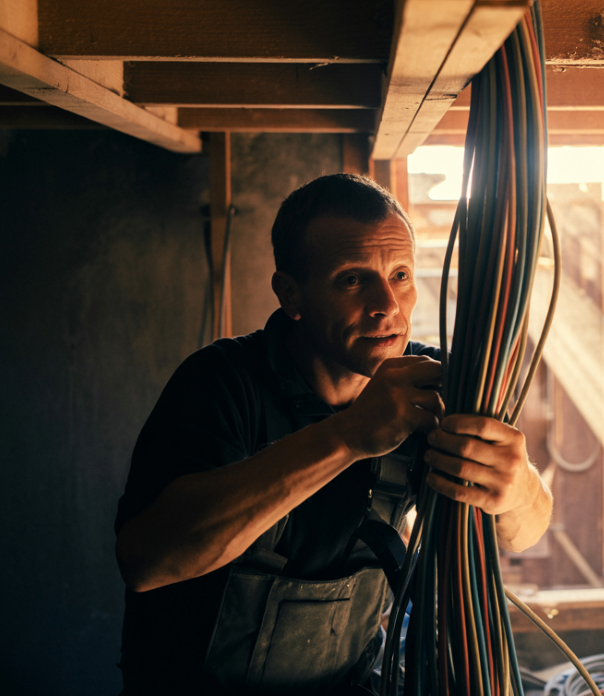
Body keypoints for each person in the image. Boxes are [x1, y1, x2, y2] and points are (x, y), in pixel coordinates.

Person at [114, 174, 552, 694]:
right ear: (291, 293)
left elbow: (526, 530)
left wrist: (517, 485)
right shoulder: (221, 383)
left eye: (401, 275)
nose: (388, 305)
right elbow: (147, 563)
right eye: (353, 279)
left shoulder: (430, 386)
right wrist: (347, 437)